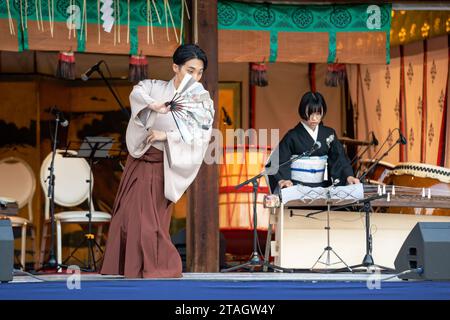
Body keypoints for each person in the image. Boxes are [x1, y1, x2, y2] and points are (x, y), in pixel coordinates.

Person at [100, 44, 214, 278]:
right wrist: (152, 105)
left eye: (199, 72)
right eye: (190, 70)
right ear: (175, 67)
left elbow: (200, 136)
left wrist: (167, 136)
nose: (195, 77)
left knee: (149, 221)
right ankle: (129, 267)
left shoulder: (201, 99)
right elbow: (137, 93)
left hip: (164, 164)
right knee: (126, 215)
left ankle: (162, 266)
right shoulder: (153, 87)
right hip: (140, 160)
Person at [267, 91, 359, 192]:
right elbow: (275, 162)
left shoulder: (329, 134)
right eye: (310, 113)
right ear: (302, 111)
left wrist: (348, 176)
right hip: (296, 189)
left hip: (322, 189)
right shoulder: (292, 136)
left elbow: (339, 159)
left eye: (318, 114)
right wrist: (282, 180)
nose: (314, 118)